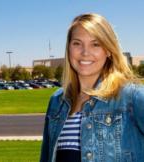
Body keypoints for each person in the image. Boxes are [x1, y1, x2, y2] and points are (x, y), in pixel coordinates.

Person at [40, 13, 144, 162]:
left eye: (95, 44)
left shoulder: (131, 98)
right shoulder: (57, 101)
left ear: (108, 50)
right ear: (68, 48)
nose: (85, 52)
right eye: (77, 43)